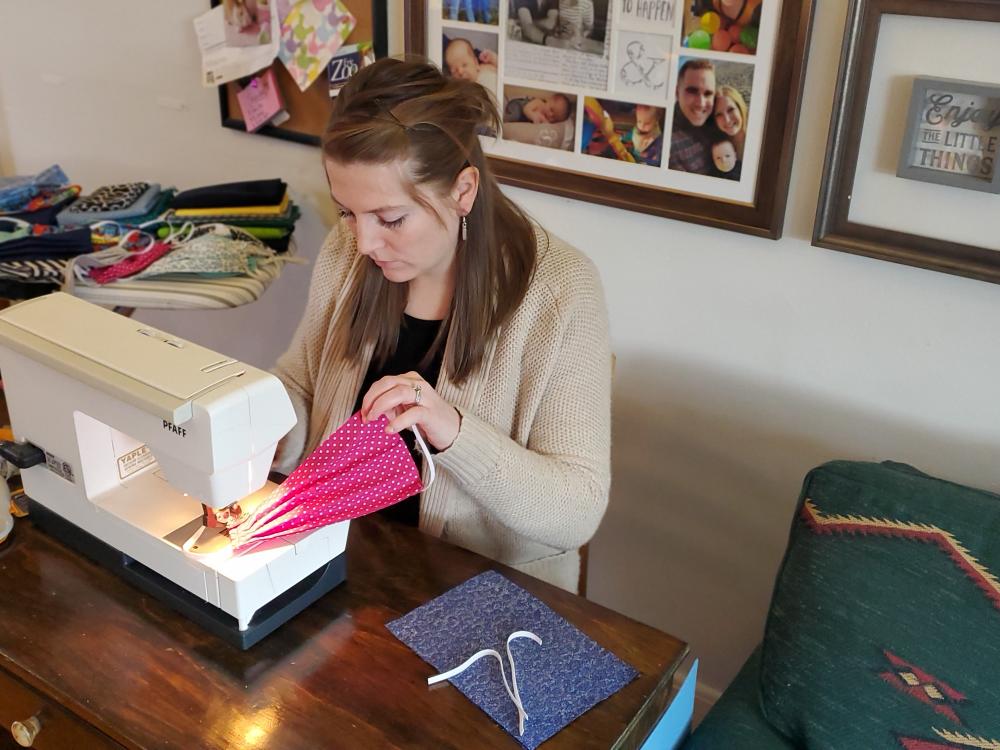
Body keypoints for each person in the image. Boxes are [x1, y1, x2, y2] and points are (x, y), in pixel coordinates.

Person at [273, 57, 611, 593]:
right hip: (347, 559)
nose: (363, 243)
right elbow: (300, 382)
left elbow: (577, 510)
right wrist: (258, 428)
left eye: (390, 220)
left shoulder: (561, 291)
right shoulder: (350, 251)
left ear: (463, 191)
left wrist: (452, 432)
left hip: (485, 592)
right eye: (346, 213)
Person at [668, 58, 717, 173]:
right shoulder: (669, 143)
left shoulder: (721, 119)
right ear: (676, 92)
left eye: (708, 93)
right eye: (692, 91)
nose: (701, 103)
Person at [713, 84, 748, 158]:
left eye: (731, 110)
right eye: (719, 114)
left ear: (740, 108)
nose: (727, 120)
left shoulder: (758, 139)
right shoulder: (717, 145)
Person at [504, 92, 571, 124]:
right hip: (518, 106)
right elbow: (526, 109)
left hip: (522, 117)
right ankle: (504, 119)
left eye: (554, 118)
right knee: (516, 116)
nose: (550, 115)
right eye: (551, 110)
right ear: (548, 100)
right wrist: (533, 115)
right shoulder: (539, 103)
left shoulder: (545, 119)